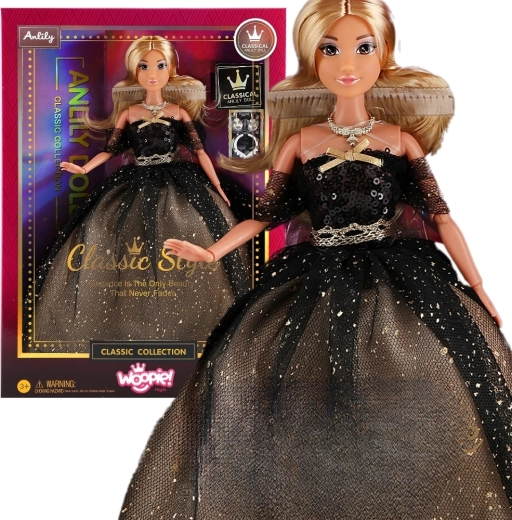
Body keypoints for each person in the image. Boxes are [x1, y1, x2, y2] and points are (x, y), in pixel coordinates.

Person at [119, 2, 512, 518]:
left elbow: (441, 217)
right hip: (315, 273)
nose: (347, 63)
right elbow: (264, 217)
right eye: (330, 49)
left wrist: (478, 285)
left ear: (384, 54)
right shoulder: (302, 144)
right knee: (269, 371)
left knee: (430, 370)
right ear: (312, 59)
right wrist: (211, 250)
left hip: (397, 273)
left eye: (363, 48)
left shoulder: (400, 142)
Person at [26, 36, 249, 353]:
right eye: (144, 66)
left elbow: (200, 153)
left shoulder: (179, 113)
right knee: (115, 240)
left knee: (192, 232)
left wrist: (218, 187)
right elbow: (110, 151)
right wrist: (84, 169)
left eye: (160, 65)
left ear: (171, 69)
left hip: (178, 182)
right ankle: (125, 325)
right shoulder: (129, 114)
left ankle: (193, 328)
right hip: (134, 182)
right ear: (135, 70)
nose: (152, 73)